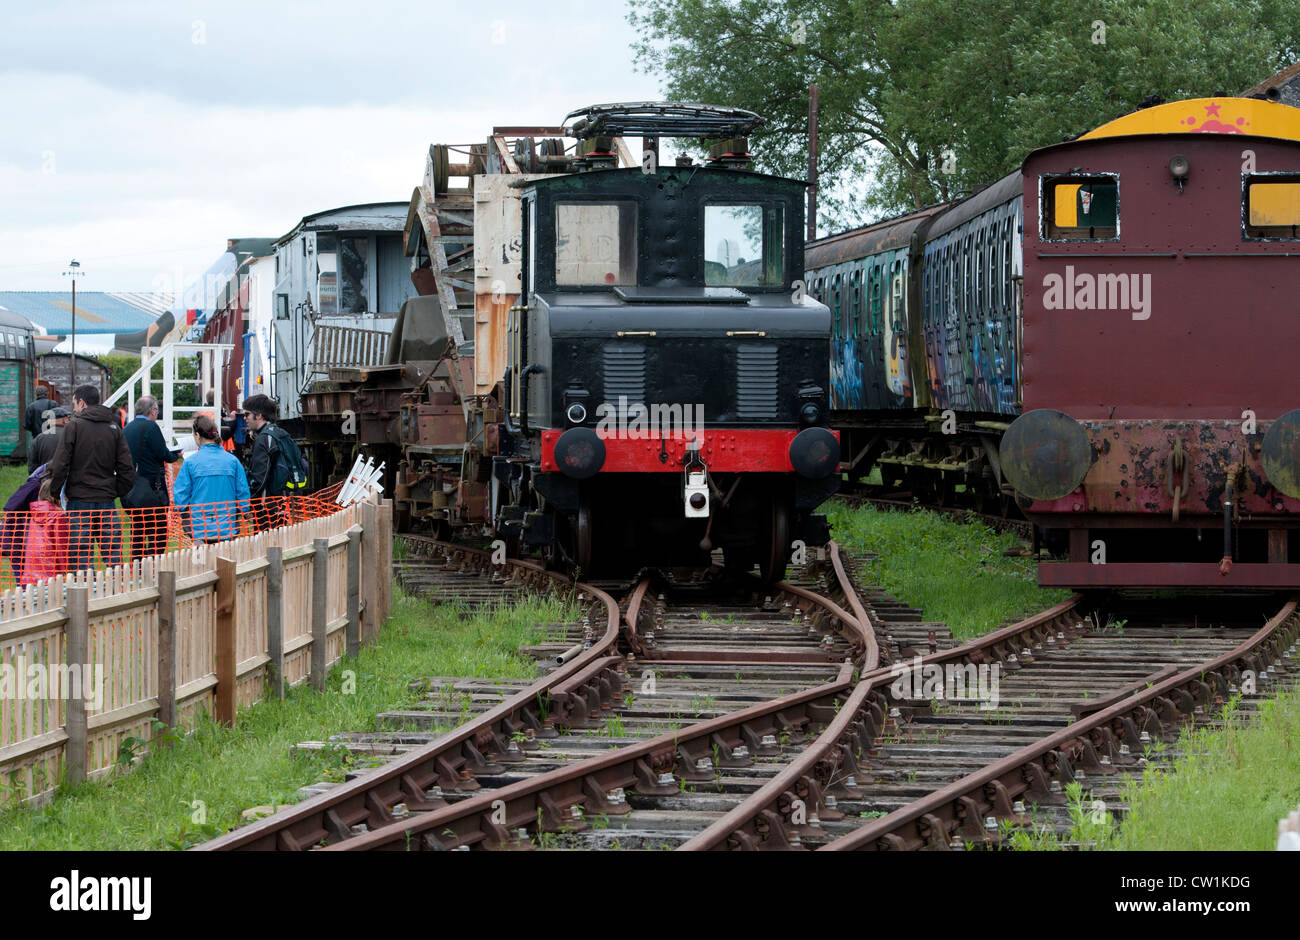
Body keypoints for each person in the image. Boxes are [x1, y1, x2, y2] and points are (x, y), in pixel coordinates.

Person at [44, 384, 134, 572]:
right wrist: (114, 490)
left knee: (80, 557)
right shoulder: (114, 428)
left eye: (74, 404)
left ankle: (84, 597)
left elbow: (61, 464)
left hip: (79, 500)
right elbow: (127, 468)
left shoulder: (74, 426)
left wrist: (54, 491)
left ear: (82, 403)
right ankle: (115, 596)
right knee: (113, 556)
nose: (74, 408)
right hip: (106, 500)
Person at [172, 414, 250, 543]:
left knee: (201, 562)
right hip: (228, 527)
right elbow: (243, 493)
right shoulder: (233, 461)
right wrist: (243, 510)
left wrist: (185, 514)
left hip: (199, 529)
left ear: (197, 435)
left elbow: (180, 494)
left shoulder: (190, 463)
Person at [122, 395, 182, 559]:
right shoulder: (151, 427)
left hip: (132, 488)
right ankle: (152, 563)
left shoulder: (127, 428)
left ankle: (137, 565)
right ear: (153, 410)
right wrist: (176, 454)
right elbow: (163, 453)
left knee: (138, 530)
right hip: (153, 487)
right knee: (158, 531)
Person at [243, 394, 303, 531]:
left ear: (259, 416)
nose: (245, 418)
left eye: (247, 414)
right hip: (283, 503)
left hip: (266, 506)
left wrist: (249, 501)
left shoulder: (263, 439)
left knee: (264, 547)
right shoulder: (281, 433)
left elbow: (260, 478)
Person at [27, 406, 70, 473]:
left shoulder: (39, 438)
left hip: (45, 479)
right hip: (66, 479)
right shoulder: (71, 436)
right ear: (64, 420)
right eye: (68, 419)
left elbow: (32, 465)